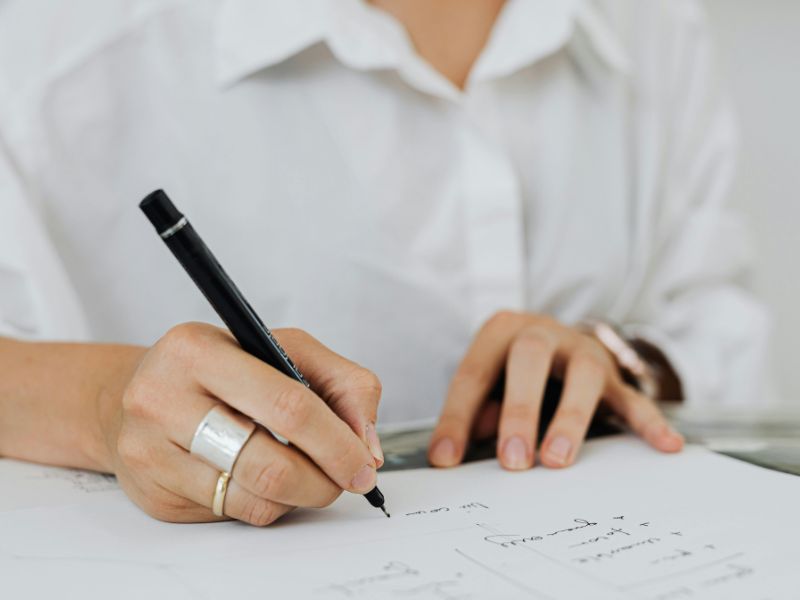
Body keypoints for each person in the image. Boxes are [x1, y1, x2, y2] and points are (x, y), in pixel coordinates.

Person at [0, 0, 771, 526]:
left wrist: (618, 365)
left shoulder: (657, 25)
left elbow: (714, 309)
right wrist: (105, 404)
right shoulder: (56, 48)